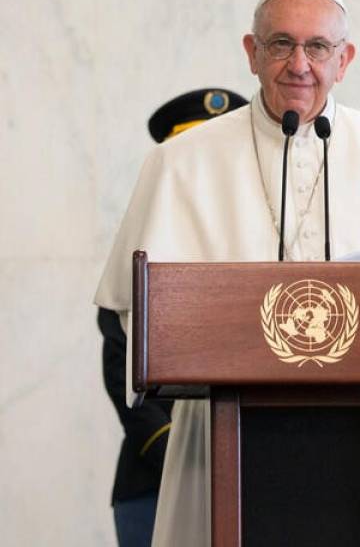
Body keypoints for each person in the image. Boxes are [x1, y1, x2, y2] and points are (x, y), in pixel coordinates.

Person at [94, 0, 360, 546]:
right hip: (222, 444)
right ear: (251, 52)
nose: (299, 64)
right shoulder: (181, 164)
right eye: (280, 43)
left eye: (318, 47)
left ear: (345, 60)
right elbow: (136, 315)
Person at [99, 88, 248, 547]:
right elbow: (124, 373)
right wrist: (189, 455)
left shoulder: (256, 255)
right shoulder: (139, 258)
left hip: (253, 474)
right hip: (155, 480)